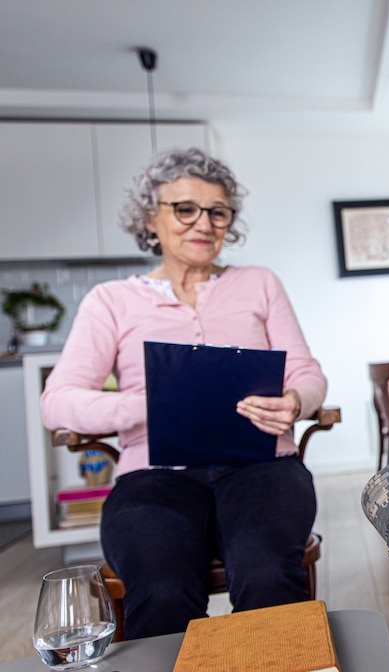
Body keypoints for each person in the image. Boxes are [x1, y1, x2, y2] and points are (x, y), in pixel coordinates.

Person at [40, 147, 327, 640]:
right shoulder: (110, 301)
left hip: (263, 467)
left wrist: (297, 400)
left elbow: (306, 371)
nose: (204, 223)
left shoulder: (260, 284)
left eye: (218, 212)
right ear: (152, 218)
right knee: (163, 587)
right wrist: (148, 407)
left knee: (266, 575)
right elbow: (58, 401)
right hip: (154, 476)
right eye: (185, 208)